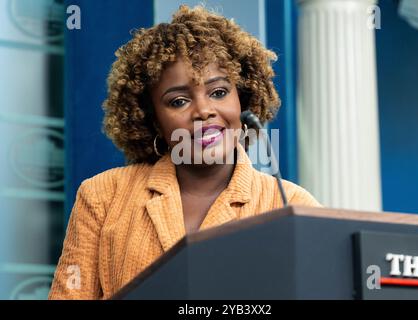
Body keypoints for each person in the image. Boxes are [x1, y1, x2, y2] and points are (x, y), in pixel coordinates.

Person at [48, 5, 321, 300]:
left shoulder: (290, 203)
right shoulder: (102, 196)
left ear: (243, 101)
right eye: (178, 101)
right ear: (153, 119)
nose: (204, 111)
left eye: (218, 93)